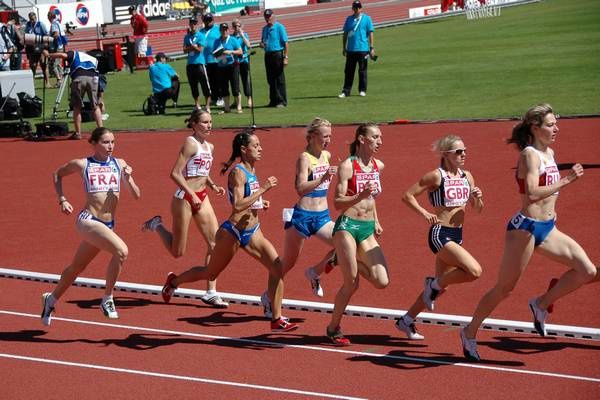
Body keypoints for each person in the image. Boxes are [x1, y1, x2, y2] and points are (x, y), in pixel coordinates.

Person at [460, 104, 598, 362]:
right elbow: (532, 194)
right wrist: (567, 181)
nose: (556, 128)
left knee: (587, 270)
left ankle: (541, 303)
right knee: (504, 288)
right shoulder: (529, 154)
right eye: (550, 124)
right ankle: (469, 331)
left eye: (556, 123)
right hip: (524, 229)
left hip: (548, 228)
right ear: (535, 128)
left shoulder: (550, 152)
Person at [161, 130, 298, 332]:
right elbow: (238, 205)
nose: (261, 149)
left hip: (252, 231)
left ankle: (276, 318)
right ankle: (174, 281)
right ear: (244, 149)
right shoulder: (238, 172)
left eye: (260, 145)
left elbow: (245, 199)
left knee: (277, 267)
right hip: (232, 232)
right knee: (210, 272)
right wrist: (264, 190)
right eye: (256, 146)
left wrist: (260, 202)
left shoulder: (251, 169)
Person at [41, 127, 141, 326]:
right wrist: (62, 199)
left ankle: (50, 300)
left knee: (76, 268)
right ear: (94, 143)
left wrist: (128, 178)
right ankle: (107, 299)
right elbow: (57, 174)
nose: (110, 146)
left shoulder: (119, 164)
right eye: (105, 142)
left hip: (107, 225)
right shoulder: (83, 164)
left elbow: (137, 195)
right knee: (121, 251)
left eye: (112, 142)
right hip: (88, 220)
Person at [395, 135, 483, 340]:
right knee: (474, 271)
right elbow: (407, 195)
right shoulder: (436, 176)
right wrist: (424, 213)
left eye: (464, 151)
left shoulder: (467, 176)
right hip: (440, 234)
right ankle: (432, 285)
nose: (463, 155)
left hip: (457, 234)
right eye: (458, 152)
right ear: (446, 155)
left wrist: (478, 198)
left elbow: (478, 209)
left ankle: (406, 320)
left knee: (439, 286)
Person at [142, 109, 228, 307]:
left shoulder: (210, 147)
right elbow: (175, 173)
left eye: (211, 122)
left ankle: (211, 292)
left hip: (202, 197)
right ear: (194, 124)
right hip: (184, 199)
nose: (209, 125)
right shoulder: (190, 143)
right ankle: (157, 225)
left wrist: (213, 185)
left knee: (215, 244)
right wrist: (191, 194)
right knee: (177, 252)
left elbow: (202, 171)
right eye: (205, 122)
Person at [260, 118, 339, 318]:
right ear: (312, 136)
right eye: (324, 136)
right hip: (302, 217)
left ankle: (314, 273)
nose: (328, 140)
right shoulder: (304, 158)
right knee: (287, 263)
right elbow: (300, 189)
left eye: (330, 135)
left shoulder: (327, 155)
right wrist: (322, 179)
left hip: (322, 216)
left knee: (345, 242)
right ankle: (268, 297)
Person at [326, 123, 389, 345]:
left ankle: (339, 259)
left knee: (382, 281)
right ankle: (333, 328)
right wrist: (360, 195)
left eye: (381, 137)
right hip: (347, 226)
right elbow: (336, 203)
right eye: (375, 137)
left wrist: (377, 220)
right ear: (362, 139)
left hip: (367, 227)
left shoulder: (377, 165)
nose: (379, 141)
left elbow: (372, 198)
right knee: (352, 283)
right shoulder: (347, 166)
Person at [48, 50, 103, 140]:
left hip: (79, 77)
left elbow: (62, 55)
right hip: (93, 79)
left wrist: (49, 55)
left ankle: (78, 133)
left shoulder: (74, 53)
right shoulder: (93, 59)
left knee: (77, 107)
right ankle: (101, 131)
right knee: (95, 106)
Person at [339, 1, 375, 98]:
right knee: (348, 71)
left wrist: (371, 47)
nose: (357, 9)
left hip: (363, 49)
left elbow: (371, 33)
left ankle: (362, 90)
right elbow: (345, 34)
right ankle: (346, 91)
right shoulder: (349, 19)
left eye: (358, 7)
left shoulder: (367, 19)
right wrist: (344, 47)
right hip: (351, 50)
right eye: (355, 7)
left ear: (361, 8)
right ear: (352, 8)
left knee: (362, 71)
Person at [260, 9, 288, 108]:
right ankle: (273, 100)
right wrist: (262, 44)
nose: (268, 19)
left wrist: (285, 57)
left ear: (273, 16)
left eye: (269, 17)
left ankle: (281, 101)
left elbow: (285, 43)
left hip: (277, 54)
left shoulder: (279, 27)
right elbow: (263, 41)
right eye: (266, 17)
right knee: (270, 79)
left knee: (279, 78)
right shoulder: (264, 29)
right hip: (268, 54)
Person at [213, 23, 243, 114]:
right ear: (220, 31)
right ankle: (227, 107)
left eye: (226, 29)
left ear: (228, 30)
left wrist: (231, 52)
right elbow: (215, 54)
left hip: (233, 65)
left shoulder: (233, 39)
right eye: (222, 30)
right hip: (222, 66)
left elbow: (240, 51)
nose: (224, 31)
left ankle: (238, 106)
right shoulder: (217, 41)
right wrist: (221, 55)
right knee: (224, 88)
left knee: (235, 87)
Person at [183, 17, 210, 111]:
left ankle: (207, 105)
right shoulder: (187, 37)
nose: (193, 25)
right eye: (191, 23)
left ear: (197, 25)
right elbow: (184, 50)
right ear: (189, 25)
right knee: (193, 85)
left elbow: (200, 50)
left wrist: (192, 47)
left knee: (205, 85)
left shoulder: (201, 35)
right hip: (190, 64)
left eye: (195, 23)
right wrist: (194, 47)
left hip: (200, 63)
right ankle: (197, 105)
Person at [200, 13, 221, 110]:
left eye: (209, 20)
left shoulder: (218, 29)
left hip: (216, 59)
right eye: (206, 20)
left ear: (212, 20)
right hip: (205, 60)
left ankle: (221, 97)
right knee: (209, 81)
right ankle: (214, 97)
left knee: (218, 80)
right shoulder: (201, 31)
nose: (208, 22)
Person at [231, 18, 253, 111]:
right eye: (235, 26)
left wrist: (242, 35)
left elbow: (248, 46)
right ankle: (236, 100)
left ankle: (249, 98)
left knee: (245, 80)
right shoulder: (231, 37)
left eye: (238, 26)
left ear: (241, 26)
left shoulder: (245, 35)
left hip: (244, 61)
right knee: (235, 82)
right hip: (235, 62)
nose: (237, 28)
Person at [24, 12, 49, 87]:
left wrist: (45, 47)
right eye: (31, 19)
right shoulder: (27, 25)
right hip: (31, 48)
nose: (32, 21)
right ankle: (32, 84)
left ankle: (47, 83)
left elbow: (46, 35)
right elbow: (25, 35)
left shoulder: (41, 24)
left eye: (33, 19)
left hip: (41, 47)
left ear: (36, 18)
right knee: (33, 65)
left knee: (44, 65)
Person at [47, 11, 67, 88]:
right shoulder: (58, 23)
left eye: (48, 16)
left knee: (53, 64)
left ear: (50, 17)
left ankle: (59, 80)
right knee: (58, 64)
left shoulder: (54, 24)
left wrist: (49, 38)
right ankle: (62, 79)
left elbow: (56, 34)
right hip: (61, 45)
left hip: (56, 46)